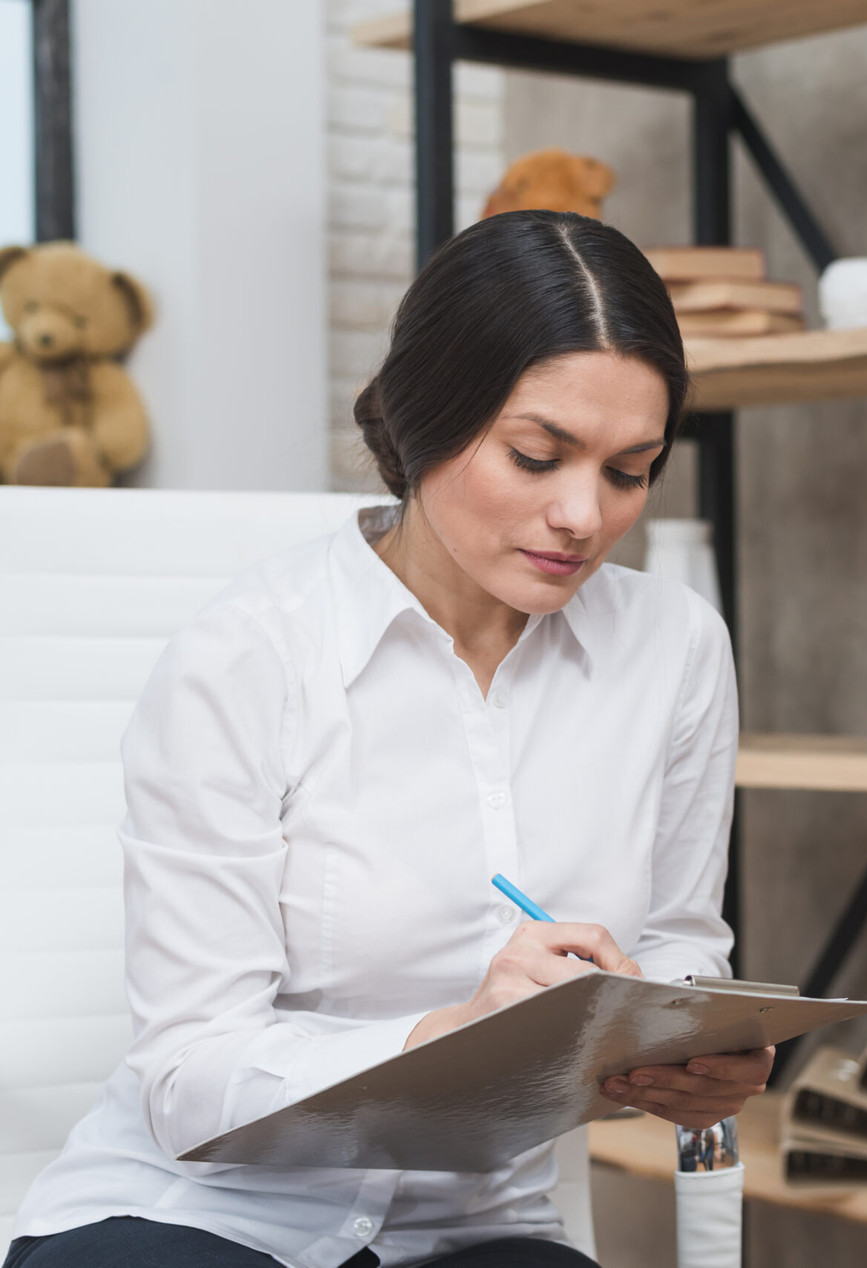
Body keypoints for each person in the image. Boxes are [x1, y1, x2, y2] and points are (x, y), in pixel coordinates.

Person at [7, 211, 768, 1268]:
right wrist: (458, 1035)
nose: (582, 514)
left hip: (475, 1223)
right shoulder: (246, 658)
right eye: (536, 455)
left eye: (630, 470)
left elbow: (684, 939)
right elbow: (189, 1076)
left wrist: (691, 1049)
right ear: (424, 419)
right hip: (201, 1211)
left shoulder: (675, 647)